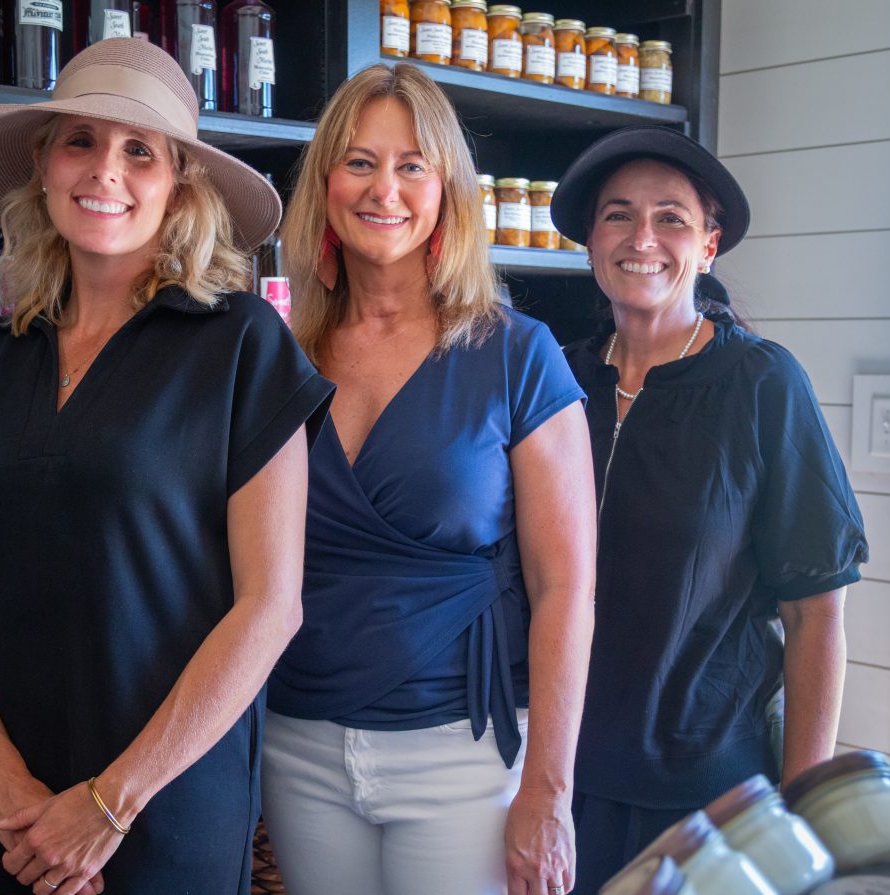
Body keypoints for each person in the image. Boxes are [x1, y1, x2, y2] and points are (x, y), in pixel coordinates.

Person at [0, 38, 334, 895]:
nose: (105, 170)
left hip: (167, 804)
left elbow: (271, 604)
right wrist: (4, 787)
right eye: (80, 141)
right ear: (40, 164)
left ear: (180, 182)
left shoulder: (240, 345)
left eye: (138, 150)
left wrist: (109, 802)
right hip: (23, 814)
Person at [260, 62, 598, 895]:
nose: (386, 188)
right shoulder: (278, 358)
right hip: (300, 743)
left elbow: (568, 588)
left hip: (468, 752)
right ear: (327, 185)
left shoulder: (519, 353)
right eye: (361, 161)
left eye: (413, 164)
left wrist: (549, 792)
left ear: (447, 188)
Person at [549, 125, 869, 892]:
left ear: (709, 244)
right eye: (619, 214)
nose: (642, 237)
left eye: (671, 218)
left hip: (711, 792)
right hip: (558, 772)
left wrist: (799, 808)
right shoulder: (557, 383)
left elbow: (815, 615)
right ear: (592, 240)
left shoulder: (762, 385)